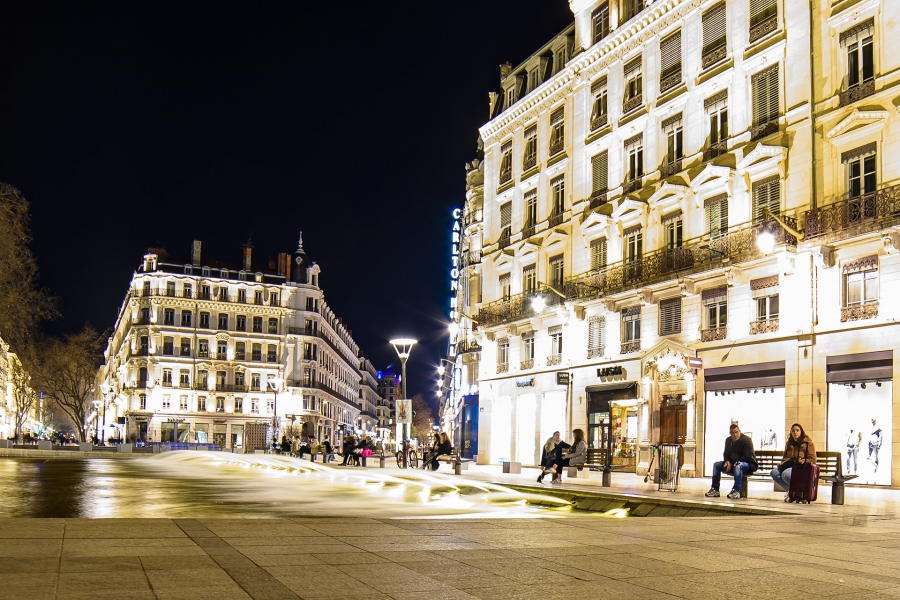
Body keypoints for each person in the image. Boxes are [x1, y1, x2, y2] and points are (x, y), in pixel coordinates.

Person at [706, 423, 758, 500]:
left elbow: (747, 456)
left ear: (739, 431)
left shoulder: (746, 440)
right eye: (732, 433)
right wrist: (727, 461)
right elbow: (726, 453)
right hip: (733, 464)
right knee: (717, 465)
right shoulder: (728, 440)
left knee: (738, 465)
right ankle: (715, 489)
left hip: (748, 464)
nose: (735, 435)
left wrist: (732, 463)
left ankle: (736, 490)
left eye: (736, 432)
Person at [771, 423, 817, 500]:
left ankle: (796, 492)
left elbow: (813, 459)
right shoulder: (789, 443)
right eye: (793, 431)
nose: (795, 432)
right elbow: (785, 457)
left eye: (797, 430)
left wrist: (802, 460)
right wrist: (782, 463)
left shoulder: (808, 443)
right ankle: (790, 491)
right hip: (789, 465)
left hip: (800, 467)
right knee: (774, 472)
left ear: (801, 432)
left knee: (785, 474)